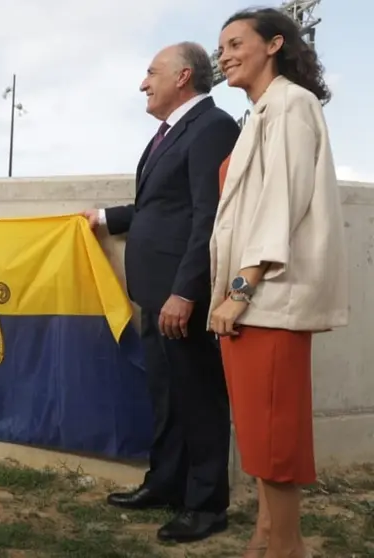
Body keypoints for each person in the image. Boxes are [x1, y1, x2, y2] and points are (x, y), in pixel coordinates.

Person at [81, 42, 240, 543]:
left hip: (180, 296)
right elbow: (158, 204)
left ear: (183, 77)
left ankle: (207, 505)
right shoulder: (170, 134)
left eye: (151, 73)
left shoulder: (214, 128)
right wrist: (106, 219)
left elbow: (207, 215)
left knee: (199, 398)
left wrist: (186, 292)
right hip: (155, 292)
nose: (143, 84)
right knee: (168, 396)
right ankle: (166, 483)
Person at [211, 8, 347, 558]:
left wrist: (239, 289)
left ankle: (288, 549)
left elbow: (282, 204)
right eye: (219, 47)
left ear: (274, 44)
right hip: (253, 302)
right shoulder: (262, 111)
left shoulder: (291, 103)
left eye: (235, 43)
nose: (224, 55)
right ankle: (265, 537)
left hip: (264, 299)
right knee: (260, 434)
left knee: (274, 437)